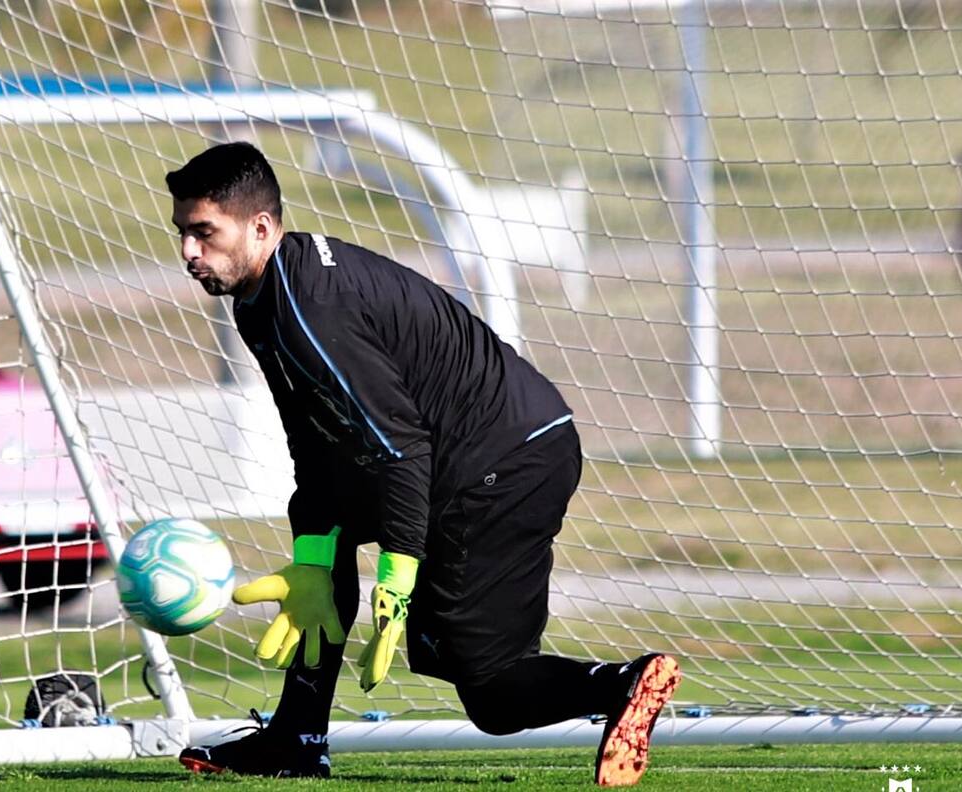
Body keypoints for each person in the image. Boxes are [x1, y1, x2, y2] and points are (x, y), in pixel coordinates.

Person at [166, 142, 680, 787]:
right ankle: (296, 739)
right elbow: (315, 439)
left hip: (504, 461)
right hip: (481, 453)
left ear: (261, 227)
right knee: (323, 539)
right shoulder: (262, 296)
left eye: (204, 232)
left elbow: (400, 445)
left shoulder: (309, 305)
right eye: (183, 232)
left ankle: (622, 683)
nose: (189, 251)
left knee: (491, 692)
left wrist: (398, 570)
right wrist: (313, 556)